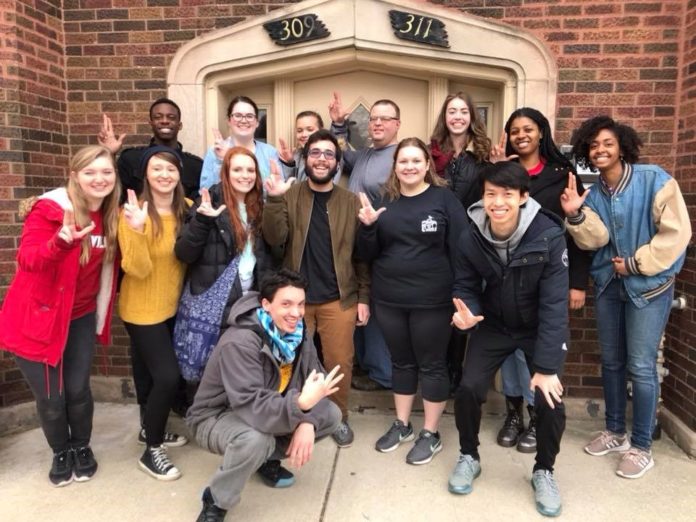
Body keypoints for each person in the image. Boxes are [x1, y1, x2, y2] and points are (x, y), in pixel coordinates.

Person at [562, 116, 690, 479]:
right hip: (608, 287)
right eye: (593, 145)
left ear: (622, 145)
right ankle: (616, 431)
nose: (599, 150)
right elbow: (596, 240)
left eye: (607, 143)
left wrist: (635, 264)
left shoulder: (655, 179)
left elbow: (676, 235)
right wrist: (575, 216)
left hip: (649, 288)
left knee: (642, 367)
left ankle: (642, 446)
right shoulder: (595, 192)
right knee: (613, 363)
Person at [448, 162, 568, 517]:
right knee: (469, 388)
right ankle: (469, 455)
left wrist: (546, 368)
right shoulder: (471, 236)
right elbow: (465, 284)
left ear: (523, 197)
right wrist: (466, 314)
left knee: (550, 399)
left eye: (506, 195)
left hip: (537, 328)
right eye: (490, 194)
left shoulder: (548, 235)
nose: (497, 202)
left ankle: (544, 470)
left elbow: (555, 305)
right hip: (495, 324)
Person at [0, 145, 121, 486]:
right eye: (90, 172)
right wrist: (60, 242)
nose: (99, 179)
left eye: (106, 172)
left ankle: (81, 446)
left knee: (79, 389)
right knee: (52, 398)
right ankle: (60, 451)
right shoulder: (51, 211)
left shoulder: (112, 216)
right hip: (38, 318)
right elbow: (28, 259)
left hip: (79, 315)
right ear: (74, 176)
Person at [187, 269, 343, 522]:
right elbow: (250, 403)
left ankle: (265, 460)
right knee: (254, 440)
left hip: (268, 410)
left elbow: (317, 379)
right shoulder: (240, 341)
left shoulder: (298, 334)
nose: (296, 313)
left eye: (301, 304)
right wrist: (301, 405)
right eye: (287, 304)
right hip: (217, 416)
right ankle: (216, 500)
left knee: (331, 415)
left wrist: (307, 420)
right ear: (266, 304)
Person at [357, 137, 466, 465]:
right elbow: (367, 255)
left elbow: (462, 249)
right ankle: (402, 424)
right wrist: (367, 229)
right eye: (403, 161)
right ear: (395, 167)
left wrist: (462, 294)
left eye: (416, 161)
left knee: (432, 364)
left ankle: (431, 433)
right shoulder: (384, 203)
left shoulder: (444, 200)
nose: (409, 166)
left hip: (433, 301)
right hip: (389, 299)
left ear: (427, 165)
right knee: (401, 362)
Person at [490, 107, 591, 453]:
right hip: (506, 276)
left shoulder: (561, 173)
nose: (521, 135)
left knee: (535, 352)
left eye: (528, 129)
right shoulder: (504, 174)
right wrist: (497, 169)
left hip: (546, 276)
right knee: (509, 352)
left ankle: (536, 416)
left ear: (541, 132)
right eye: (515, 130)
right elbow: (484, 214)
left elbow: (574, 229)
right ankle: (513, 413)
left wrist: (577, 282)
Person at [262, 129, 370, 449]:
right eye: (315, 153)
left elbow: (361, 257)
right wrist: (275, 199)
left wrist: (364, 297)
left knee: (339, 362)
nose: (321, 159)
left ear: (337, 164)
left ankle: (338, 416)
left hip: (340, 297)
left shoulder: (350, 202)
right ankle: (293, 418)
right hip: (296, 301)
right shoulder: (289, 194)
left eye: (328, 154)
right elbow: (274, 238)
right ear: (304, 159)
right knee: (290, 361)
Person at [118, 146, 191, 481]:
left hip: (173, 306)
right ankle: (153, 451)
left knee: (149, 376)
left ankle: (149, 429)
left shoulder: (187, 209)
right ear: (146, 173)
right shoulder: (133, 212)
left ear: (179, 175)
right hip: (142, 308)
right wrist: (138, 230)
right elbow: (137, 268)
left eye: (171, 169)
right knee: (167, 377)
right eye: (157, 168)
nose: (165, 175)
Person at [174, 147, 271, 387]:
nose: (245, 175)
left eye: (250, 170)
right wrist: (203, 220)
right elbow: (184, 253)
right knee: (211, 368)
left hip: (251, 299)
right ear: (226, 173)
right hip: (215, 301)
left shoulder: (262, 206)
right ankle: (207, 418)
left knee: (242, 365)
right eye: (237, 169)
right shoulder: (208, 202)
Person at [329, 92, 398, 391]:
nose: (377, 123)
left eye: (385, 119)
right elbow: (342, 156)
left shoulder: (400, 157)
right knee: (359, 305)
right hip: (357, 243)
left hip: (383, 246)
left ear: (397, 123)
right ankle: (366, 366)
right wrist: (338, 127)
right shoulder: (367, 155)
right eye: (374, 119)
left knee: (377, 310)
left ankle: (383, 374)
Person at [429, 91, 493, 395]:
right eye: (451, 111)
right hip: (435, 244)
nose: (457, 117)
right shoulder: (432, 153)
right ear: (445, 117)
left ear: (471, 116)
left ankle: (457, 374)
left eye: (463, 111)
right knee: (437, 310)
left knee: (462, 306)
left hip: (470, 243)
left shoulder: (483, 154)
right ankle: (436, 371)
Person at [97, 98, 203, 200]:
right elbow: (114, 195)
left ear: (179, 125)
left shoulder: (195, 165)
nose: (164, 121)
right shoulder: (131, 159)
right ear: (151, 124)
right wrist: (109, 154)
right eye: (158, 117)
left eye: (171, 117)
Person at [199, 96, 280, 190]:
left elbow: (280, 188)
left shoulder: (270, 152)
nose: (244, 120)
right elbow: (205, 192)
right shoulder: (214, 152)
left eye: (249, 116)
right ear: (229, 121)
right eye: (238, 115)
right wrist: (222, 161)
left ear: (257, 122)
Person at [277, 110, 342, 184]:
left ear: (321, 130)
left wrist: (338, 123)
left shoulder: (331, 154)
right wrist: (289, 164)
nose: (304, 134)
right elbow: (290, 188)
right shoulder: (296, 155)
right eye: (299, 130)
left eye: (310, 129)